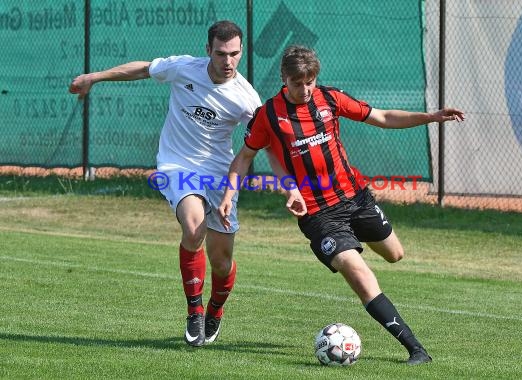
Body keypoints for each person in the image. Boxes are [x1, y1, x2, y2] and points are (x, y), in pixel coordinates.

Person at [218, 45, 465, 365]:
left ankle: (352, 242)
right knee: (358, 271)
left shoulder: (330, 99)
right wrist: (230, 195)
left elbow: (384, 117)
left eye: (310, 81)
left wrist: (430, 117)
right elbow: (246, 156)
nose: (305, 89)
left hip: (356, 198)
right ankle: (416, 349)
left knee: (395, 254)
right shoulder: (269, 114)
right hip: (318, 214)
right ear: (284, 78)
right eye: (297, 82)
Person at [69, 20, 265, 347]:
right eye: (221, 53)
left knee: (221, 260)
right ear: (208, 51)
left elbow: (264, 140)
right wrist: (94, 77)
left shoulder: (247, 98)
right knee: (193, 227)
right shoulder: (183, 68)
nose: (228, 61)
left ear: (241, 52)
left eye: (234, 54)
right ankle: (195, 311)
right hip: (177, 164)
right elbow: (142, 69)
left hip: (218, 174)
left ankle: (215, 310)